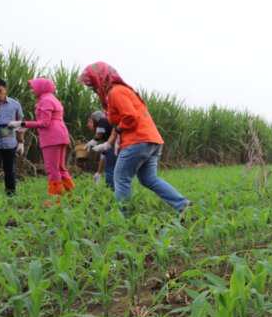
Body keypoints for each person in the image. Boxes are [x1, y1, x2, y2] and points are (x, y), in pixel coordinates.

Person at [78, 62, 190, 214]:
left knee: (121, 178)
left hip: (137, 141)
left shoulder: (115, 92)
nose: (93, 89)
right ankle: (183, 205)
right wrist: (109, 143)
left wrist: (117, 131)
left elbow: (130, 117)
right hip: (152, 141)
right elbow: (121, 121)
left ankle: (124, 217)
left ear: (101, 79)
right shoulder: (120, 92)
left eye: (93, 85)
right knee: (148, 178)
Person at [8, 78, 74, 205]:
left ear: (41, 87)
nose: (32, 90)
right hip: (61, 135)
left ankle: (56, 199)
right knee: (61, 168)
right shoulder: (53, 98)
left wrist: (22, 123)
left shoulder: (45, 100)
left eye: (34, 87)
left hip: (52, 137)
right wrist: (25, 125)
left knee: (52, 169)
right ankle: (70, 196)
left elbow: (44, 123)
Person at [0, 79, 25, 196]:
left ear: (5, 90)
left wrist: (21, 142)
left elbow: (21, 124)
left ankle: (11, 195)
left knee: (10, 170)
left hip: (9, 142)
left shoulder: (15, 104)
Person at [85, 110, 117, 189]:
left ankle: (111, 189)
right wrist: (98, 173)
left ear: (96, 119)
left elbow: (98, 135)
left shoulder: (102, 120)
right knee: (111, 168)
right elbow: (103, 155)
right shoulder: (107, 130)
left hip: (115, 146)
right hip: (116, 146)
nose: (88, 124)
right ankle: (113, 189)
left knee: (109, 169)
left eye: (91, 121)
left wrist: (92, 142)